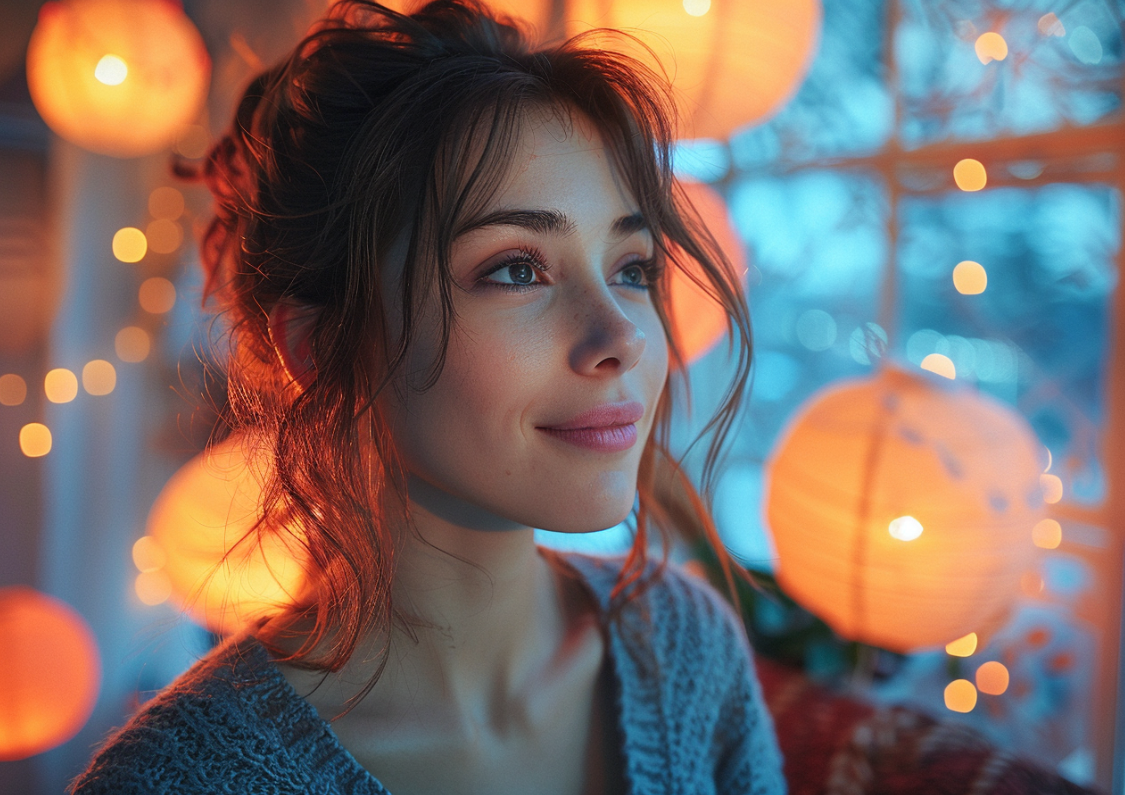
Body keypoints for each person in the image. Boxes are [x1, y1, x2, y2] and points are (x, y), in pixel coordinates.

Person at [70, 0, 784, 792]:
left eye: (632, 268)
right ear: (321, 347)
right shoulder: (177, 780)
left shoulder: (685, 651)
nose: (624, 336)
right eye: (516, 268)